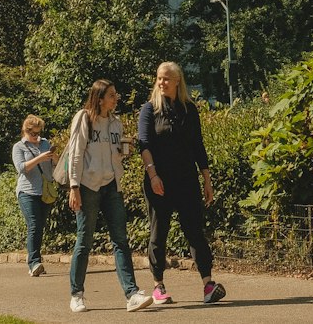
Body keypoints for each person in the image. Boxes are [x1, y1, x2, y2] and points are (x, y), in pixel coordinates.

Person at [137, 61, 226, 307]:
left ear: (178, 81)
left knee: (195, 231)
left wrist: (207, 178)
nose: (161, 82)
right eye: (158, 78)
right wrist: (153, 176)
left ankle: (208, 284)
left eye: (166, 78)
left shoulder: (189, 110)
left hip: (187, 180)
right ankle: (158, 286)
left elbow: (198, 145)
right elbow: (143, 144)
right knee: (159, 231)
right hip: (159, 182)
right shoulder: (149, 109)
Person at [66, 79, 152, 314]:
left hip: (112, 185)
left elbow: (115, 155)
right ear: (100, 97)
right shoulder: (84, 118)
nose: (116, 99)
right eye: (112, 95)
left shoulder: (116, 123)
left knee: (120, 240)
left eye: (116, 95)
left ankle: (132, 294)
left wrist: (124, 152)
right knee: (84, 241)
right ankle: (77, 294)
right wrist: (74, 187)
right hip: (87, 186)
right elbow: (75, 153)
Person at [12, 114, 56, 278]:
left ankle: (34, 259)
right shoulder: (18, 147)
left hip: (44, 191)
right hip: (27, 191)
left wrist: (54, 157)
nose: (37, 137)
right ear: (26, 131)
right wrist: (39, 158)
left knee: (40, 226)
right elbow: (21, 168)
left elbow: (54, 164)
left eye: (39, 133)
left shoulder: (45, 143)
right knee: (34, 224)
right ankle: (34, 263)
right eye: (34, 134)